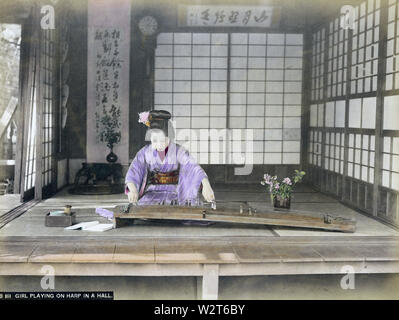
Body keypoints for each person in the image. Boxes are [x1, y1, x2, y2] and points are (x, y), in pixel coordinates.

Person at [125, 110, 215, 205]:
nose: (159, 145)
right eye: (155, 140)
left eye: (163, 140)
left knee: (184, 211)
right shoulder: (144, 152)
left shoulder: (179, 151)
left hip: (177, 193)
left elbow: (193, 167)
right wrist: (133, 189)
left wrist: (206, 184)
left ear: (170, 138)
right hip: (152, 194)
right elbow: (134, 170)